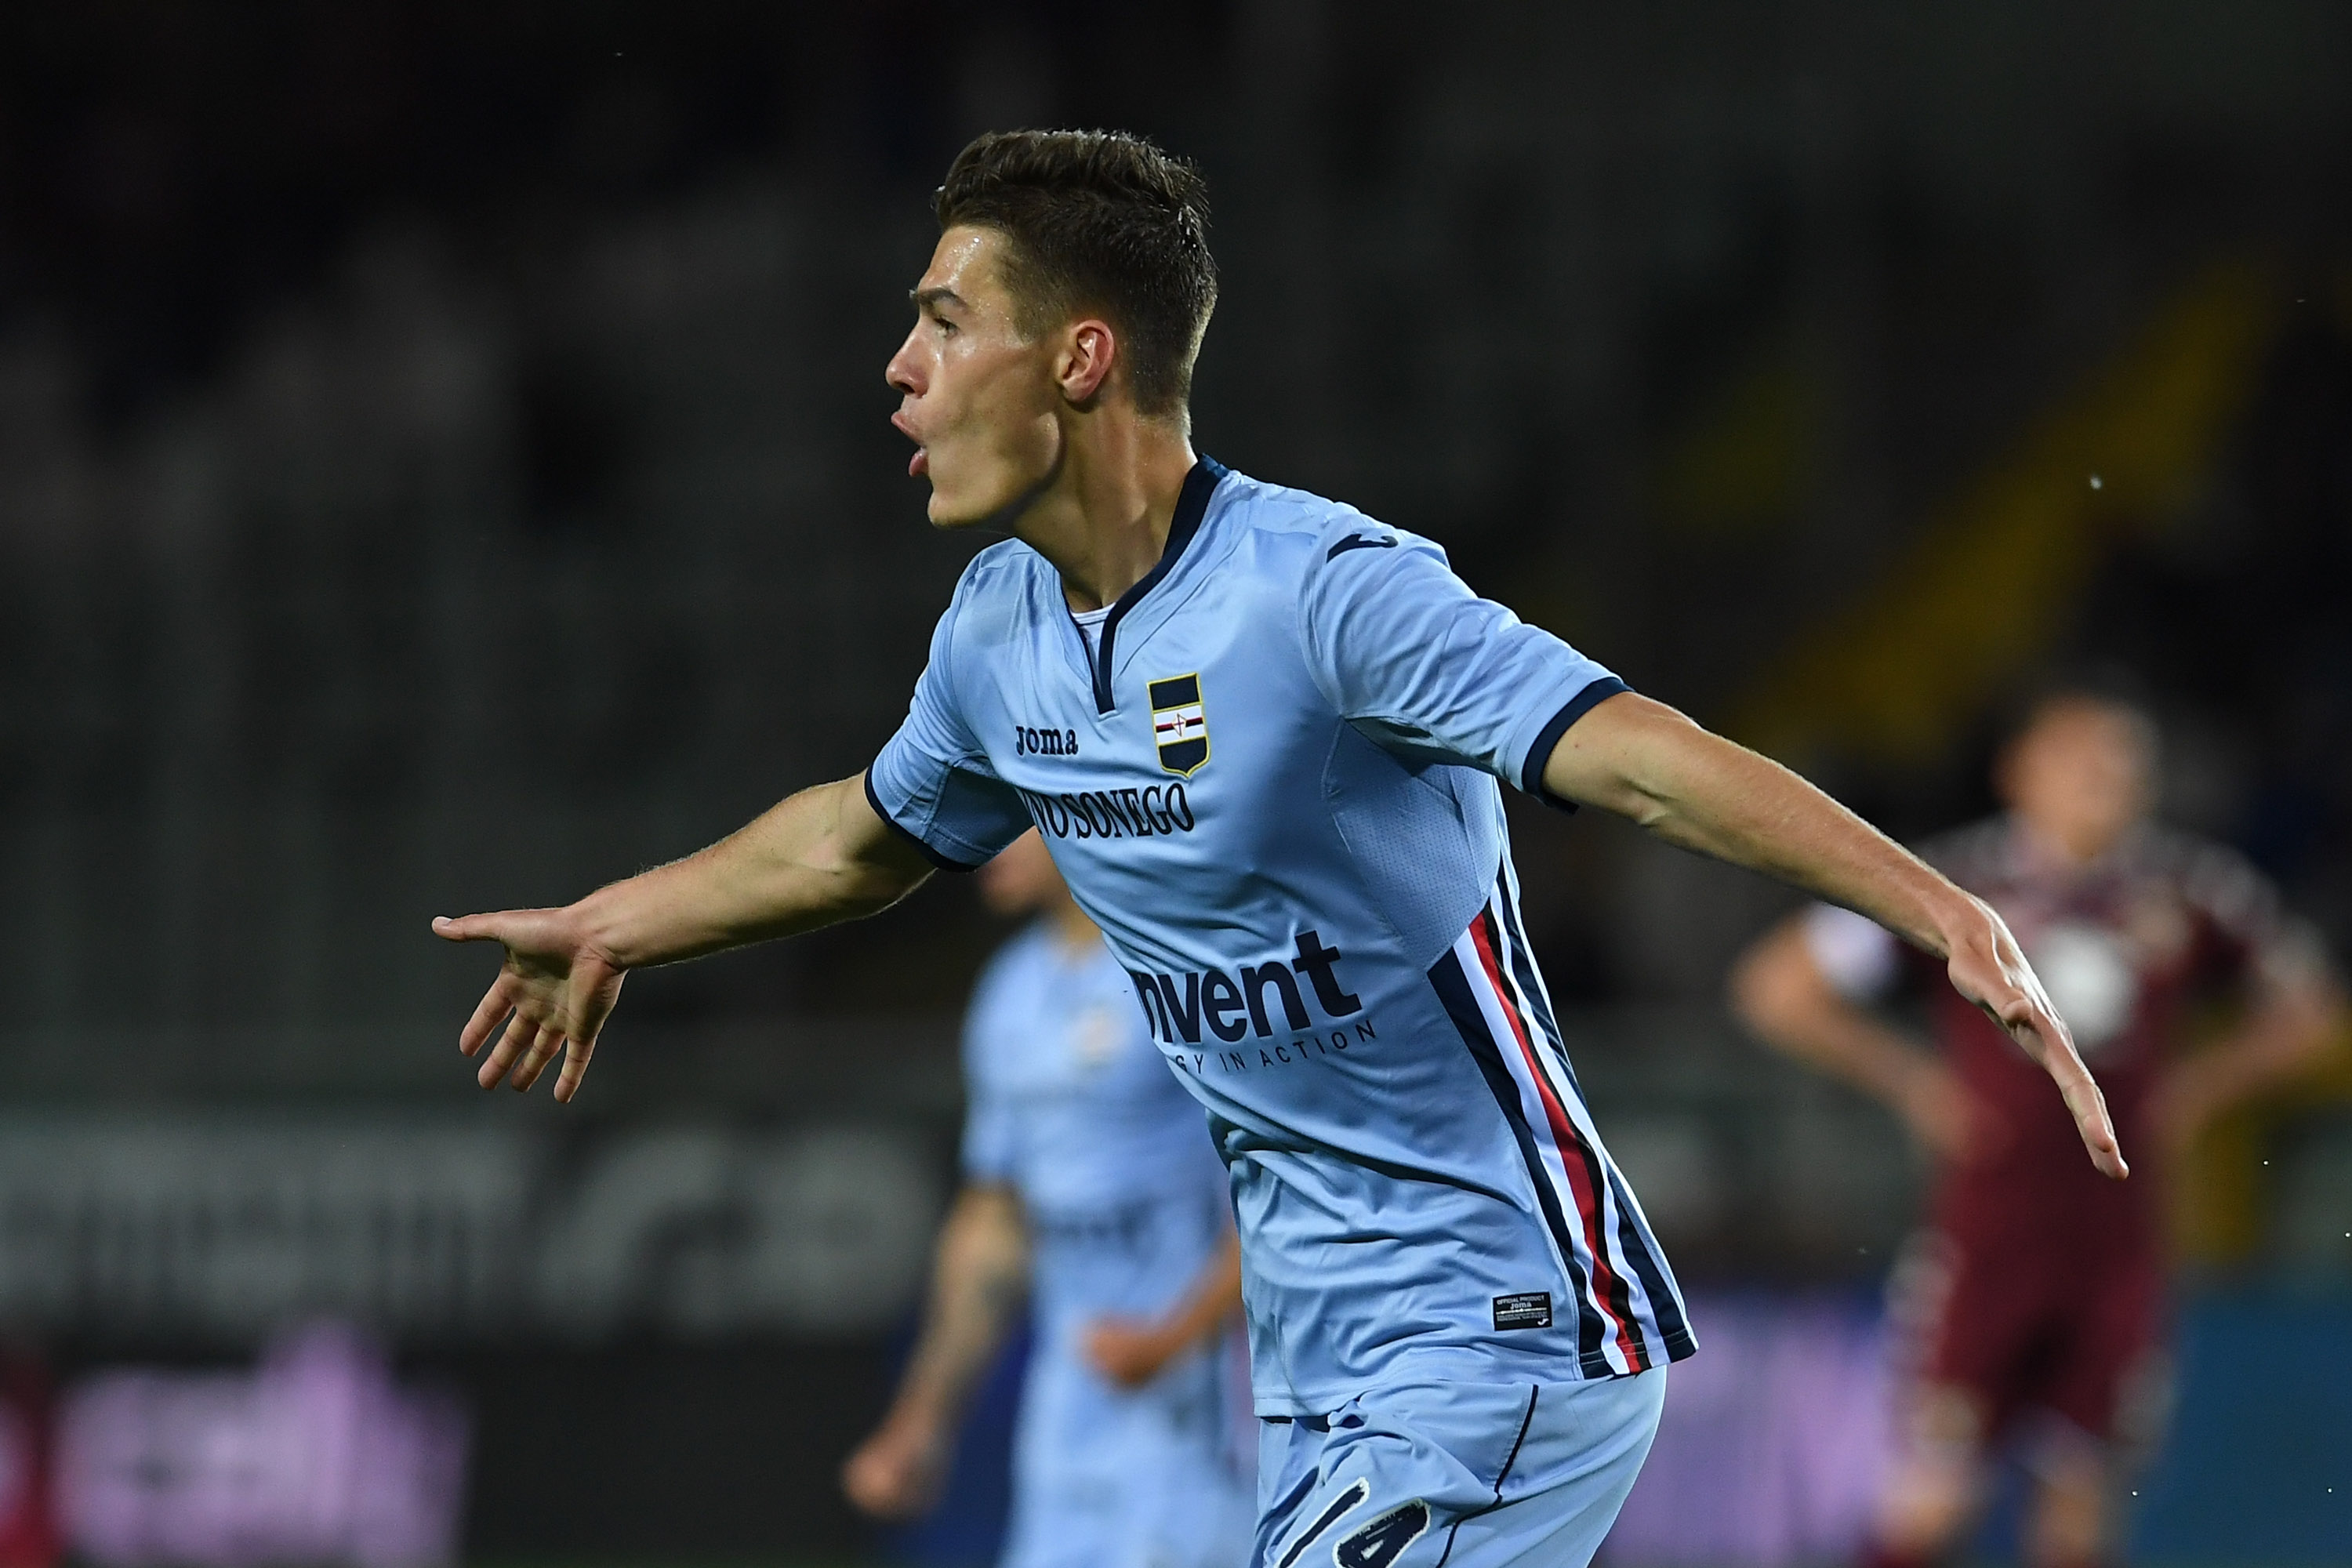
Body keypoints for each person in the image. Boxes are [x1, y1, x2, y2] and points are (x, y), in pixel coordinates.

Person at [434, 129, 2122, 1568]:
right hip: (1315, 1368)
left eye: (946, 320)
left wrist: (1940, 909)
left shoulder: (1322, 594)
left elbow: (1640, 759)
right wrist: (617, 924)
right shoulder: (998, 631)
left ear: (1080, 358)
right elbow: (861, 840)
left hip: (1505, 1332)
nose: (901, 365)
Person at [1731, 682, 2338, 1568]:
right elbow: (1778, 986)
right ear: (2019, 771)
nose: (2103, 778)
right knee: (1933, 1506)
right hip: (1987, 1239)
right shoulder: (1955, 885)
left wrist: (2202, 1086)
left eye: (2123, 762)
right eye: (2079, 757)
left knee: (2079, 1519)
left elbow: (2310, 1010)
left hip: (2119, 1246)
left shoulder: (2190, 889)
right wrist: (1913, 1081)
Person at [842, 829, 1253, 1567]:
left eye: (1010, 816)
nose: (979, 841)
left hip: (1202, 1406)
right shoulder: (1011, 991)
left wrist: (1171, 1339)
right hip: (1069, 1406)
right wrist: (923, 1418)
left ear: (1074, 811)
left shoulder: (1188, 966)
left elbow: (1273, 1194)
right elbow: (995, 1223)